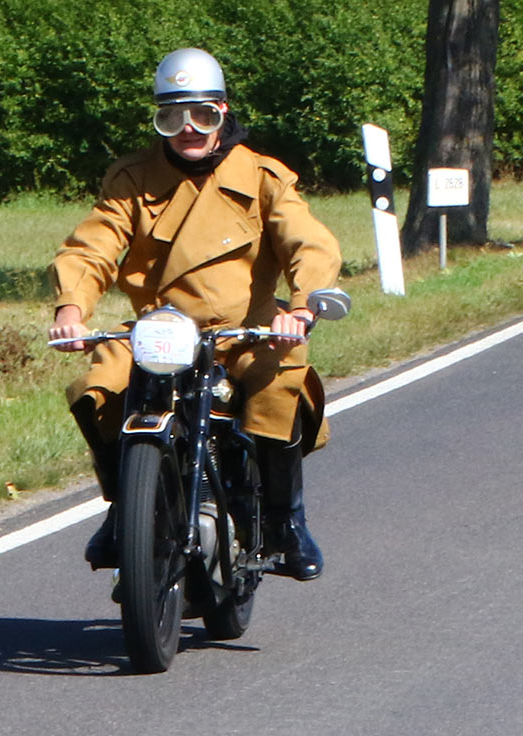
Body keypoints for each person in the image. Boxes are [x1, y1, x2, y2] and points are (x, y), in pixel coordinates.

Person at [47, 47, 343, 581]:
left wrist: (300, 308)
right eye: (172, 117)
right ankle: (125, 508)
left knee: (281, 385)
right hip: (160, 332)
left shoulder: (263, 177)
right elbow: (91, 248)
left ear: (222, 112)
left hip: (247, 332)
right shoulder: (132, 178)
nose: (188, 129)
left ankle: (286, 520)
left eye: (202, 115)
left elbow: (308, 243)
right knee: (101, 386)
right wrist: (72, 307)